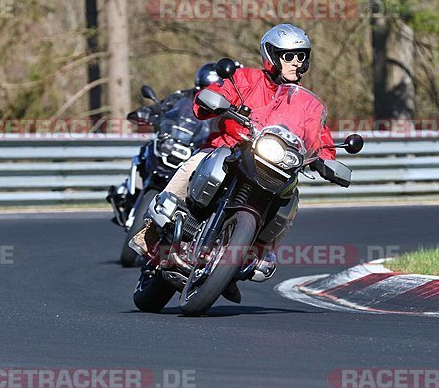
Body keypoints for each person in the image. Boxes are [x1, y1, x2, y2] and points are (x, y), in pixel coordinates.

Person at [130, 23, 337, 301]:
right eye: (289, 56)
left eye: (302, 56)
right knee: (195, 164)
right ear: (272, 55)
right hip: (230, 149)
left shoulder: (308, 105)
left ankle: (251, 255)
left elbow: (321, 138)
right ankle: (153, 230)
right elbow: (215, 94)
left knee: (291, 198)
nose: (296, 62)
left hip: (275, 165)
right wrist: (209, 102)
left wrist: (325, 159)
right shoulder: (246, 79)